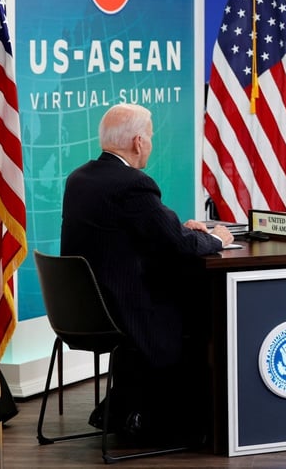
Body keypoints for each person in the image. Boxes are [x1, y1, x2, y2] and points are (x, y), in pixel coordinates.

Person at [61, 103, 233, 442]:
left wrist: (185, 231)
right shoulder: (133, 183)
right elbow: (177, 247)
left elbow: (148, 232)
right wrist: (214, 237)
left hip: (84, 309)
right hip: (123, 310)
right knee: (200, 309)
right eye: (151, 137)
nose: (151, 144)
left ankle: (127, 406)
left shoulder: (80, 177)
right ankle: (168, 418)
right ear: (139, 142)